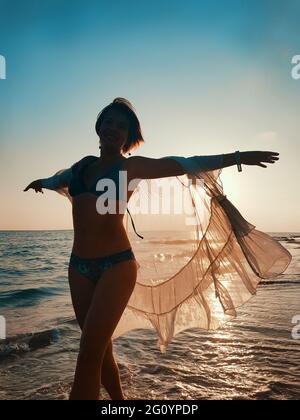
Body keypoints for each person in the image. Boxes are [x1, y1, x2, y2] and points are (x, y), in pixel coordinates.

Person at [24, 97, 280, 400]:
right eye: (109, 121)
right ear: (99, 126)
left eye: (122, 126)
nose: (113, 129)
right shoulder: (80, 168)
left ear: (129, 137)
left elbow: (185, 163)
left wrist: (238, 156)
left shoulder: (130, 167)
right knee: (99, 350)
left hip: (116, 266)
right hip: (78, 267)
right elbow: (57, 180)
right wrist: (39, 182)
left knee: (88, 352)